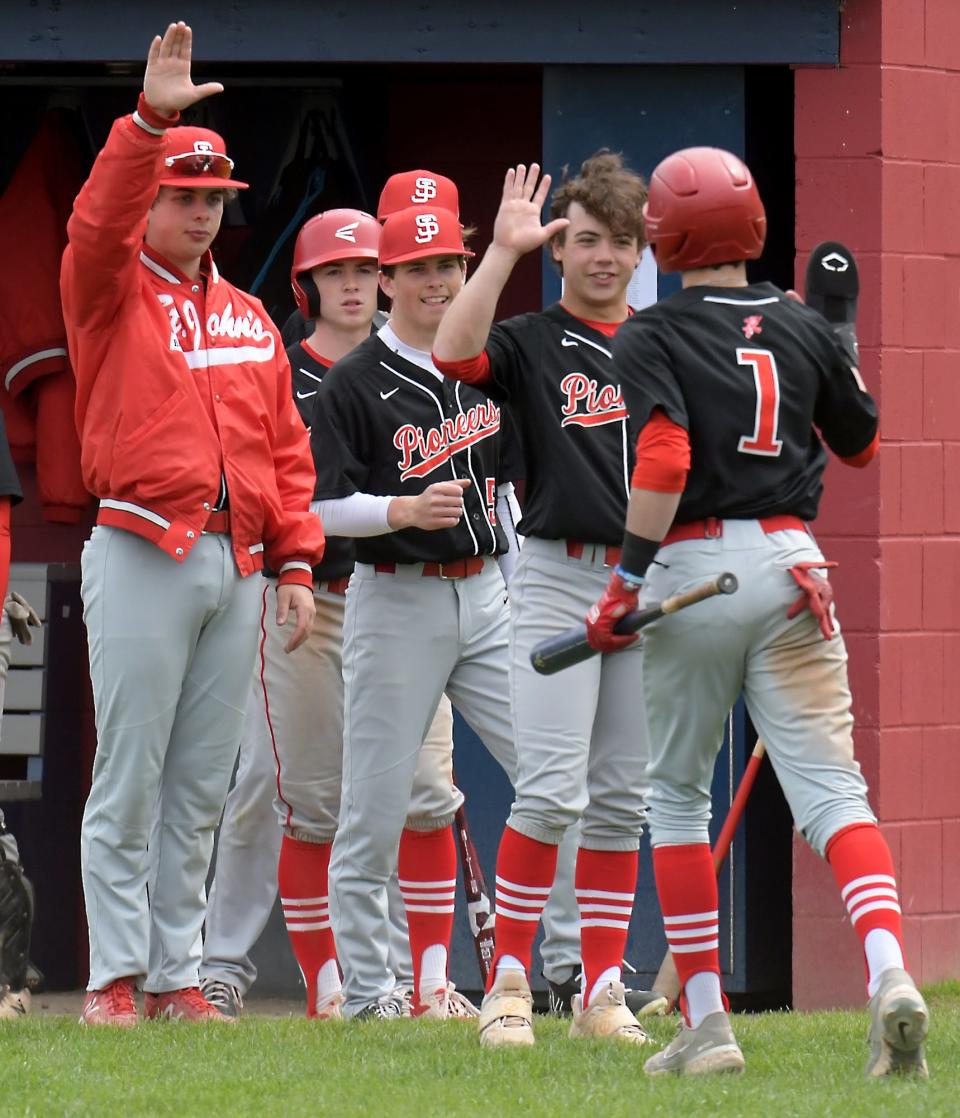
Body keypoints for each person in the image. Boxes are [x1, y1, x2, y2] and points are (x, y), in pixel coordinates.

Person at [584, 145, 928, 1078]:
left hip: (694, 568)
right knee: (835, 794)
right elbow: (860, 446)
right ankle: (890, 973)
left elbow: (660, 464)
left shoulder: (648, 333)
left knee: (676, 800)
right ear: (756, 227)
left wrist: (622, 586)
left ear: (661, 233)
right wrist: (836, 340)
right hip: (791, 565)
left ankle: (706, 1022)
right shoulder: (801, 323)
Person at [61, 22, 324, 1026]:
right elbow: (95, 224)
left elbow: (286, 450)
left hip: (239, 558)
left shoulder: (253, 317)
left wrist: (297, 560)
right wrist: (147, 124)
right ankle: (113, 977)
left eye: (215, 198)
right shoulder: (108, 287)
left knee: (203, 780)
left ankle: (176, 974)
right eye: (186, 195)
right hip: (140, 541)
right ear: (154, 200)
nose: (205, 213)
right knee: (130, 770)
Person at [310, 198, 570, 1020]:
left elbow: (514, 494)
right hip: (396, 600)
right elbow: (315, 509)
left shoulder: (488, 363)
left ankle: (565, 972)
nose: (435, 281)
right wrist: (395, 511)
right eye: (417, 268)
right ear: (386, 279)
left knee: (552, 775)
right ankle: (373, 996)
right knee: (375, 806)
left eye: (448, 265)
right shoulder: (355, 380)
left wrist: (527, 589)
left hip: (490, 593)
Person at [433, 154, 664, 1048]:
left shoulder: (666, 339)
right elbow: (451, 351)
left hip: (649, 583)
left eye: (622, 241)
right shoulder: (532, 337)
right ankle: (509, 989)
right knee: (550, 789)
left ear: (644, 249)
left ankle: (603, 990)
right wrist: (500, 251)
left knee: (619, 798)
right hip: (558, 573)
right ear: (561, 248)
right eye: (587, 240)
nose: (605, 257)